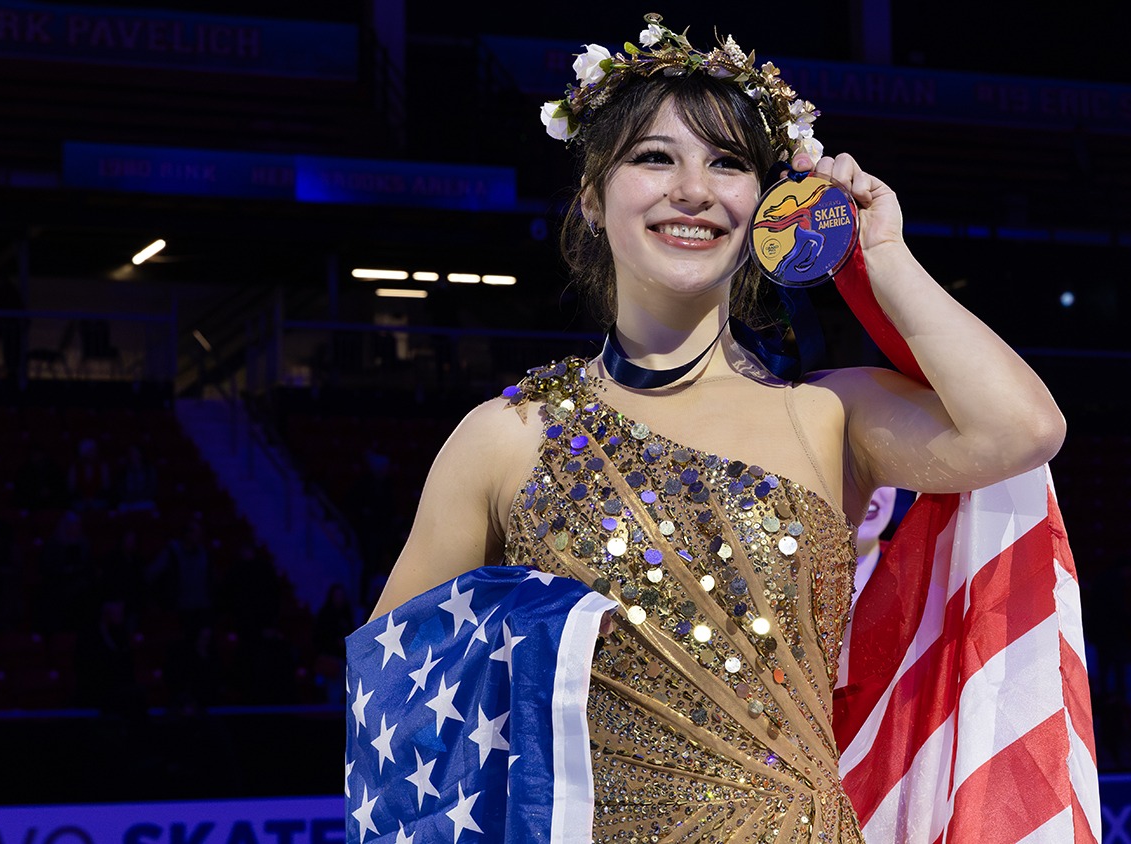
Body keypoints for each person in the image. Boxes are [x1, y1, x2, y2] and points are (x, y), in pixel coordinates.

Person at [355, 15, 1064, 841]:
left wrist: (881, 251)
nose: (693, 189)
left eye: (727, 163)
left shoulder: (828, 415)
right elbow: (393, 714)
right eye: (656, 157)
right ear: (591, 197)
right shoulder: (506, 439)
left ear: (765, 203)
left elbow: (1022, 428)